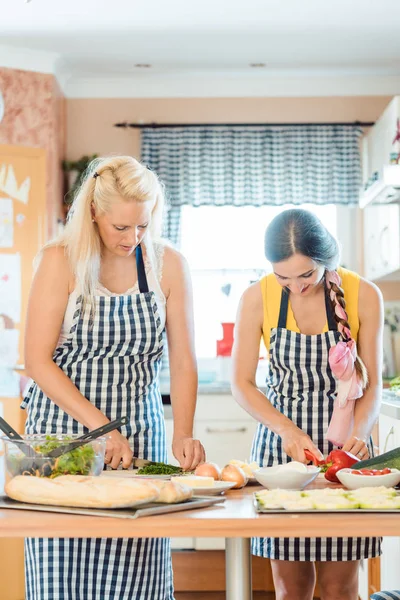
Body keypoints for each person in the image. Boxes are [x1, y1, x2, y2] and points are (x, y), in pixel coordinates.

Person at [22, 155, 205, 599]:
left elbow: (183, 359)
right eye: (120, 228)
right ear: (93, 213)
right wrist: (101, 430)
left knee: (135, 578)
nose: (133, 238)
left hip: (140, 436)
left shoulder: (168, 265)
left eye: (142, 226)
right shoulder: (60, 261)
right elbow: (36, 360)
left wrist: (183, 431)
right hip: (62, 438)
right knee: (60, 574)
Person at [231, 208, 383, 600]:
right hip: (283, 458)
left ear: (326, 260)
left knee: (341, 589)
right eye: (284, 277)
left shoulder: (364, 293)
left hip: (346, 457)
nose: (295, 287)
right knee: (291, 590)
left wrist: (360, 433)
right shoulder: (256, 297)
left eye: (306, 276)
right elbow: (242, 384)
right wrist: (287, 430)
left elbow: (373, 384)